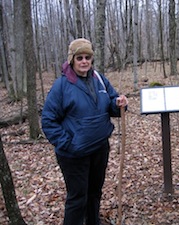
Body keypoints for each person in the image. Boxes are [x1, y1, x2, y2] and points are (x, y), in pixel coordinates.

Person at [41, 38, 128, 225]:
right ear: (72, 59)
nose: (84, 61)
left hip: (99, 148)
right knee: (77, 197)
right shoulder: (61, 86)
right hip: (74, 154)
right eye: (79, 57)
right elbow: (48, 121)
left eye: (87, 57)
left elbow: (111, 105)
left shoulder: (99, 79)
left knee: (95, 193)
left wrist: (118, 103)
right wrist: (68, 144)